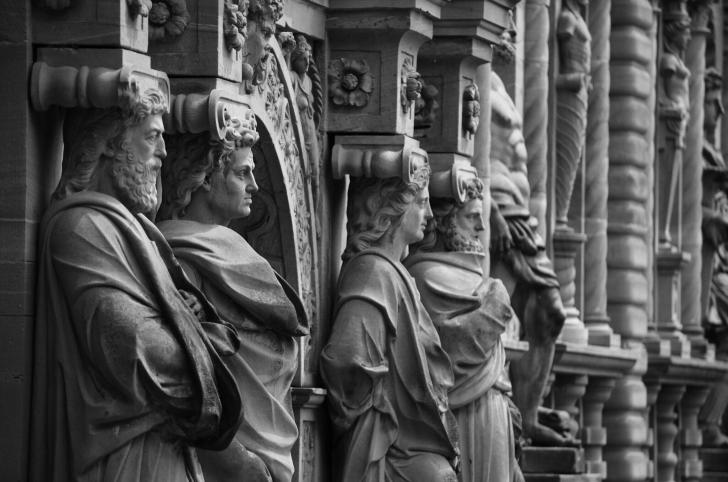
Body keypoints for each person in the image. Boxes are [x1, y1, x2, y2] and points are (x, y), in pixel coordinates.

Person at [30, 87, 242, 481]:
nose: (163, 151)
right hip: (124, 457)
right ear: (110, 144)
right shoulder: (81, 227)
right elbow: (139, 351)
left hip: (161, 449)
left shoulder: (137, 230)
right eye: (151, 136)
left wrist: (192, 329)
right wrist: (199, 338)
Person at [158, 111, 308, 482]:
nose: (256, 185)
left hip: (265, 449)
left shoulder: (229, 251)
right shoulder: (177, 256)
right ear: (205, 178)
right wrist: (235, 457)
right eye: (242, 173)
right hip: (225, 452)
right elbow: (181, 365)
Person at [320, 165, 459, 481]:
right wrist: (379, 409)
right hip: (380, 442)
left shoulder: (396, 274)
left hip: (401, 438)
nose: (430, 215)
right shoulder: (373, 272)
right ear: (393, 208)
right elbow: (346, 359)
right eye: (421, 203)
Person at [406, 175, 524, 482]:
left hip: (494, 408)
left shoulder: (478, 279)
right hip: (466, 411)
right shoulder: (424, 275)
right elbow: (449, 348)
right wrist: (495, 303)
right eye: (472, 217)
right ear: (445, 222)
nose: (481, 228)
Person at [489, 73, 570, 446]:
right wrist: (488, 209)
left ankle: (527, 412)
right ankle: (498, 404)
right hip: (495, 202)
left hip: (519, 209)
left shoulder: (499, 77)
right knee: (495, 310)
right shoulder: (469, 49)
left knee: (549, 313)